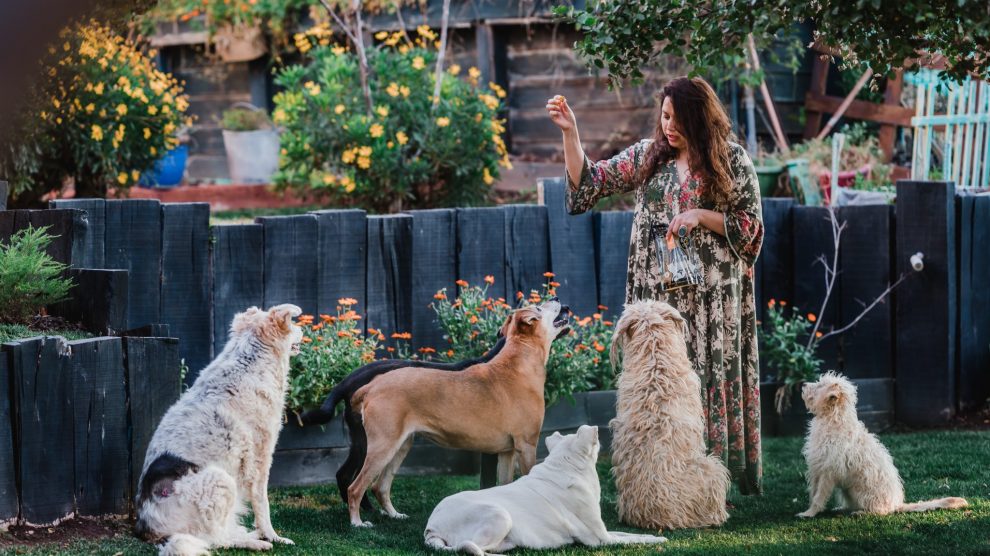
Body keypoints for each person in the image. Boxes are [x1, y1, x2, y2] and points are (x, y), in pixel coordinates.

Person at [546, 76, 764, 495]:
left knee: (705, 378)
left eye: (679, 119)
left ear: (700, 119)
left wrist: (700, 216)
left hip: (712, 301)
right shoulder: (648, 157)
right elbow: (590, 184)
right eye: (665, 116)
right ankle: (658, 479)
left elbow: (751, 228)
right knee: (658, 383)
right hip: (657, 299)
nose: (669, 126)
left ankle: (710, 479)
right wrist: (570, 133)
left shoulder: (732, 160)